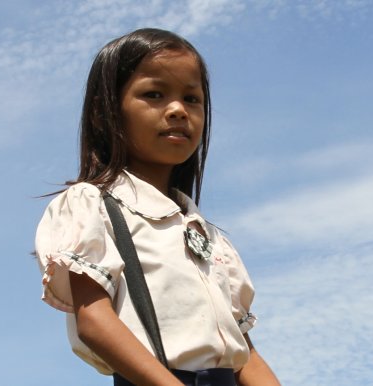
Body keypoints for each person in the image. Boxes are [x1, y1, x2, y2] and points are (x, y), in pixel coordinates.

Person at [33, 28, 280, 386]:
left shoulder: (207, 235)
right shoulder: (93, 205)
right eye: (155, 94)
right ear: (105, 113)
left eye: (192, 99)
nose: (178, 110)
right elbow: (94, 321)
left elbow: (244, 354)